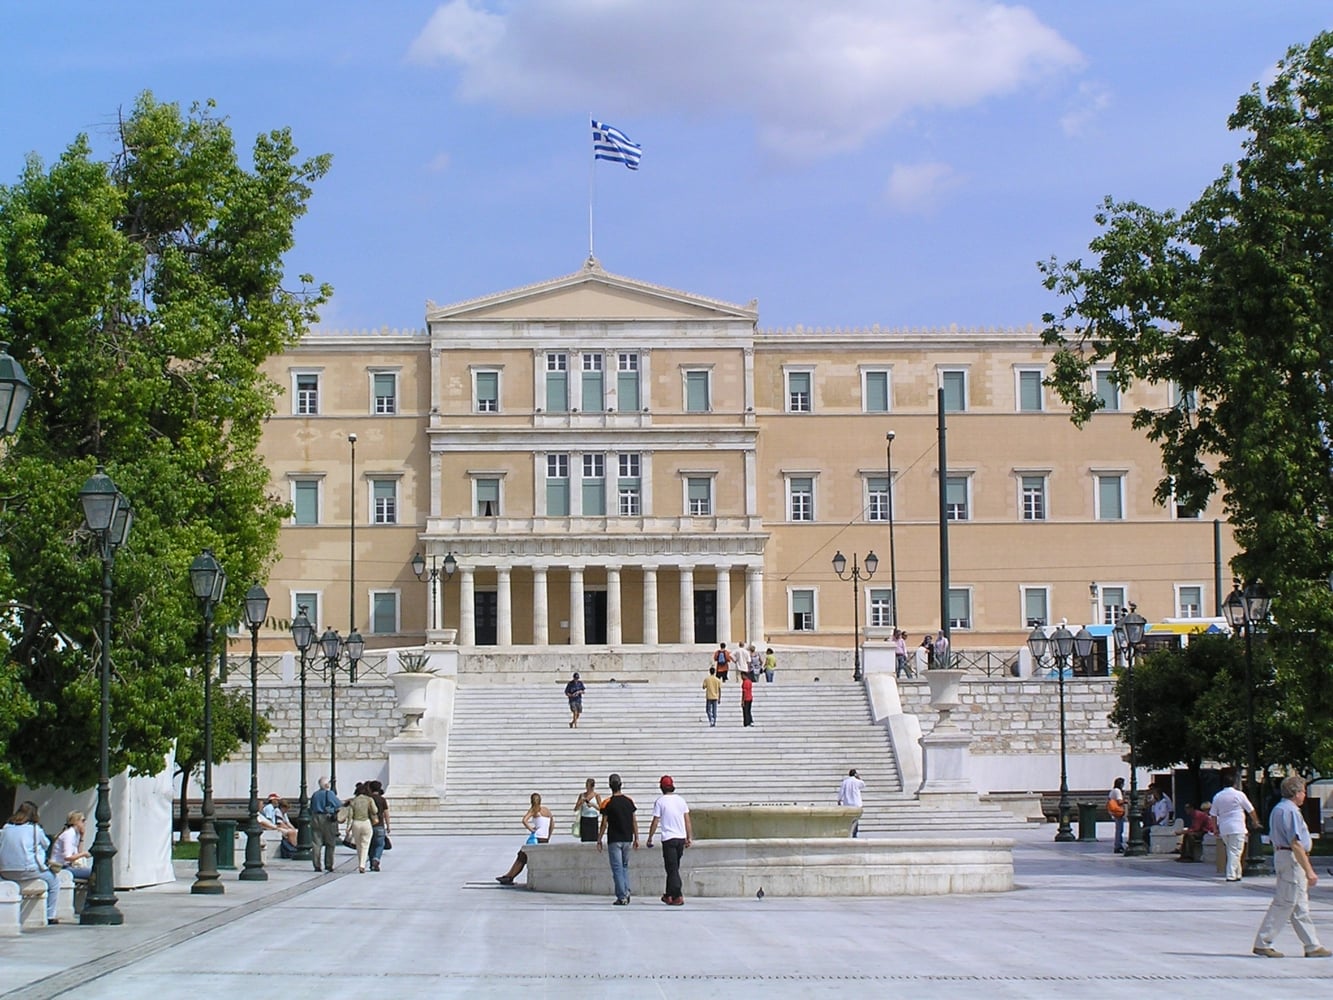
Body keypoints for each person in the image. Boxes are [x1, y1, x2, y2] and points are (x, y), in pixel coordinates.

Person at [1252, 775, 1331, 958]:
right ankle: (1263, 942)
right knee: (1285, 902)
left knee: (1299, 905)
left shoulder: (1279, 809)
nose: (1305, 795)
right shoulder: (1291, 811)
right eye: (1303, 791)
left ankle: (1312, 945)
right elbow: (1295, 843)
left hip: (1285, 856)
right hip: (1291, 858)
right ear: (1295, 793)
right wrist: (1309, 870)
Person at [0, 801, 60, 925]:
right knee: (54, 882)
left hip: (5, 871)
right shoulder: (35, 829)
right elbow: (46, 844)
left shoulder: (6, 828)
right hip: (28, 870)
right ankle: (50, 915)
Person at [645, 775, 692, 906]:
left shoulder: (660, 801)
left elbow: (656, 820)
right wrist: (689, 837)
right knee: (673, 867)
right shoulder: (681, 800)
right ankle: (669, 895)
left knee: (672, 869)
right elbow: (687, 820)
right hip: (680, 838)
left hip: (669, 838)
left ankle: (678, 895)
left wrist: (650, 837)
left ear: (661, 787)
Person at [597, 773, 639, 905]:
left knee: (617, 868)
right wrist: (636, 837)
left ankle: (622, 896)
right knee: (625, 866)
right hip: (627, 838)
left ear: (610, 786)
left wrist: (599, 839)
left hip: (614, 839)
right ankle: (626, 891)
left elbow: (604, 823)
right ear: (621, 785)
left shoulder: (607, 803)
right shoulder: (629, 801)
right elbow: (634, 821)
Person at [1212, 768, 1258, 882]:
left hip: (1224, 828)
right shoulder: (1239, 795)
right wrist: (1255, 821)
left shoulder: (1218, 796)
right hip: (1237, 827)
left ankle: (1238, 873)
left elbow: (1213, 814)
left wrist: (1215, 828)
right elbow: (1250, 809)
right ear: (1234, 783)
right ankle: (1231, 875)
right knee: (1236, 851)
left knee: (1231, 850)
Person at [496, 792, 554, 885]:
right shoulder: (547, 810)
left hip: (536, 838)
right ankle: (508, 875)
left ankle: (509, 876)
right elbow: (552, 825)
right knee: (523, 856)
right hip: (544, 839)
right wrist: (548, 836)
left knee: (521, 857)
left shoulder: (533, 810)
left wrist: (531, 829)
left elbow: (524, 820)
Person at [309, 776, 343, 873]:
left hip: (315, 817)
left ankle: (316, 865)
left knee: (316, 843)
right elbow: (338, 804)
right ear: (326, 784)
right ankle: (328, 864)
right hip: (327, 818)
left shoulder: (315, 794)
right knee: (330, 842)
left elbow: (311, 807)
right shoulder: (329, 793)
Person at [49, 811, 93, 882]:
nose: (85, 822)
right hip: (61, 867)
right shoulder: (69, 835)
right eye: (83, 820)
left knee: (95, 872)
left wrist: (82, 836)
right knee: (94, 872)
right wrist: (84, 854)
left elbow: (78, 852)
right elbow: (68, 857)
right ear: (76, 821)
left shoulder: (74, 834)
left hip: (68, 866)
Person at [346, 782, 379, 873]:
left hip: (356, 823)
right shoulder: (369, 799)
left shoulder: (353, 801)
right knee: (365, 844)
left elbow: (350, 815)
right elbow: (375, 810)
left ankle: (360, 862)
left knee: (358, 845)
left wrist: (348, 827)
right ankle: (362, 865)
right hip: (366, 823)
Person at [367, 780, 391, 872]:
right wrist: (388, 826)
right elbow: (386, 814)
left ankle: (371, 863)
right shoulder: (382, 799)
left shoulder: (368, 799)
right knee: (380, 844)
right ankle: (376, 859)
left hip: (369, 825)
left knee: (370, 845)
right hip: (380, 825)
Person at [838, 768, 866, 838]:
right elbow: (863, 785)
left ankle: (848, 832)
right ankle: (854, 833)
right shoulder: (857, 781)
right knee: (855, 819)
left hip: (847, 803)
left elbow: (841, 791)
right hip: (856, 803)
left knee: (849, 819)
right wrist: (859, 778)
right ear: (855, 774)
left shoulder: (845, 782)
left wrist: (839, 800)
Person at [575, 778, 603, 843]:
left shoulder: (597, 796)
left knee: (593, 838)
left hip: (593, 819)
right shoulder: (582, 795)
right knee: (585, 838)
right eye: (587, 786)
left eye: (590, 787)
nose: (588, 788)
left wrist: (593, 805)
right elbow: (575, 809)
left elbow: (601, 809)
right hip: (584, 819)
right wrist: (581, 802)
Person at [1107, 777, 1127, 853]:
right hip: (1118, 811)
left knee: (1118, 829)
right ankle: (1118, 845)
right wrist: (1125, 801)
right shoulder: (1118, 791)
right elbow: (1119, 802)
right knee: (1120, 830)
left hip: (1114, 811)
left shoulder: (1112, 791)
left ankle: (1118, 844)